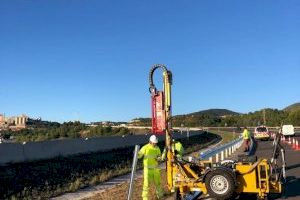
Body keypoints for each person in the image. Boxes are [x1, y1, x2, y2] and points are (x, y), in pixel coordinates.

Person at [138, 135, 163, 200]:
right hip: (147, 170)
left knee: (158, 183)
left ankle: (160, 196)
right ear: (150, 141)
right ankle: (145, 198)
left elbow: (159, 156)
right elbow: (139, 156)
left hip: (155, 169)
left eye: (155, 143)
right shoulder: (145, 147)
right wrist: (136, 153)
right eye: (154, 143)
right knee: (146, 185)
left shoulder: (157, 148)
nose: (155, 144)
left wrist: (159, 158)